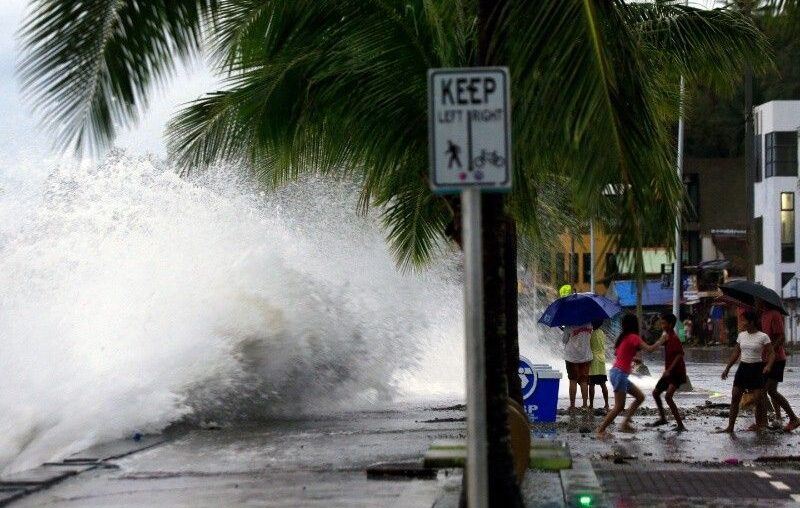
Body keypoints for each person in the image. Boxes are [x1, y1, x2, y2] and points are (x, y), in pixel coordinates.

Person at [596, 314, 665, 438]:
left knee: (640, 397)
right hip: (620, 375)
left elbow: (618, 353)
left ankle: (625, 423)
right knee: (619, 406)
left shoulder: (623, 337)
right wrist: (661, 340)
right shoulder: (634, 337)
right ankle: (601, 430)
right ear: (634, 325)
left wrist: (632, 359)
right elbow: (649, 349)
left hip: (616, 373)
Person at [717, 309, 775, 433]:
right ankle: (730, 427)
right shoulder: (741, 335)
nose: (742, 323)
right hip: (743, 368)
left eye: (744, 320)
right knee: (735, 397)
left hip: (757, 369)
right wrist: (727, 368)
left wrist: (768, 366)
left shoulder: (763, 336)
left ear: (752, 322)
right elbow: (736, 353)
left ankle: (759, 425)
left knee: (758, 399)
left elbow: (772, 354)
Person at [756, 298, 800, 431]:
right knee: (762, 391)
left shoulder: (774, 314)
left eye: (756, 301)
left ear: (763, 301)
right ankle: (762, 422)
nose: (755, 303)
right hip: (765, 359)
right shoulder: (762, 315)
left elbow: (781, 337)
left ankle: (793, 418)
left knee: (769, 390)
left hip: (777, 359)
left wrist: (771, 350)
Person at [647, 312, 687, 431]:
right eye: (661, 323)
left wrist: (669, 370)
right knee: (655, 393)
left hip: (676, 372)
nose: (662, 325)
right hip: (668, 372)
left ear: (670, 324)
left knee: (668, 397)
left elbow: (680, 355)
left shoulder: (674, 338)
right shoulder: (667, 336)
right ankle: (663, 418)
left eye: (664, 323)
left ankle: (680, 425)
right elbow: (655, 346)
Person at [562, 324, 593, 411]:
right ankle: (585, 405)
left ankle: (572, 406)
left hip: (572, 357)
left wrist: (564, 331)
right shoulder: (589, 324)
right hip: (585, 356)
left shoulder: (569, 324)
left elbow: (564, 340)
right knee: (584, 381)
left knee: (573, 380)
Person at [588, 320, 610, 411]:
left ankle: (591, 404)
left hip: (593, 360)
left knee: (591, 384)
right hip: (602, 360)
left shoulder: (590, 334)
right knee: (603, 384)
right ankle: (607, 404)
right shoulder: (602, 333)